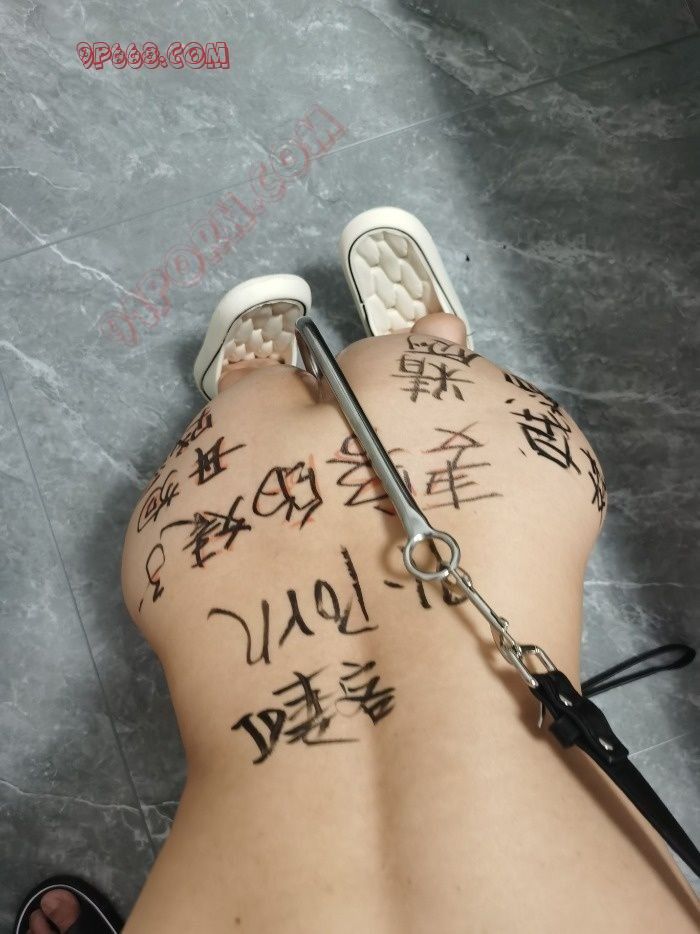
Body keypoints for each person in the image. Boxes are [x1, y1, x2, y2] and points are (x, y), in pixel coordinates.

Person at [16, 209, 699, 933]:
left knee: (406, 369)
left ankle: (414, 351)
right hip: (210, 509)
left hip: (425, 459)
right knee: (296, 402)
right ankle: (311, 378)